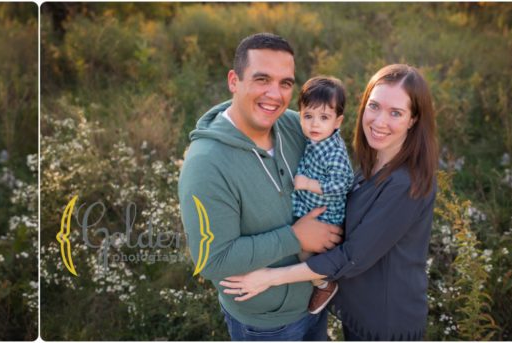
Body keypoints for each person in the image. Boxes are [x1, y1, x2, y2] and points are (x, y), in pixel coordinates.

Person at [219, 64, 438, 341]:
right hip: (361, 312)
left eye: (396, 112)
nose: (379, 121)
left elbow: (352, 256)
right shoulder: (374, 163)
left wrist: (269, 277)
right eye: (374, 106)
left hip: (385, 322)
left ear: (413, 120)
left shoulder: (404, 184)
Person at [178, 33, 343, 341]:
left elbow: (333, 150)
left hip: (315, 304)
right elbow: (212, 260)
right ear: (233, 80)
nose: (275, 95)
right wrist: (295, 237)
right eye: (262, 79)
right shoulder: (206, 165)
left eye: (285, 83)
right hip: (266, 325)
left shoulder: (293, 125)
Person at [290, 76, 354, 314]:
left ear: (338, 122)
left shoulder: (334, 152)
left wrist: (307, 183)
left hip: (326, 216)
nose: (314, 124)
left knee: (303, 250)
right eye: (308, 116)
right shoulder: (317, 140)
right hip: (311, 207)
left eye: (324, 117)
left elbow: (341, 184)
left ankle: (324, 283)